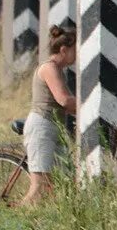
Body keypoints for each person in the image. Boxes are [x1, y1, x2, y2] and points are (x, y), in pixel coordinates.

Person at [20, 26, 77, 207]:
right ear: (63, 50)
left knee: (60, 183)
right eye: (76, 50)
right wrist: (90, 107)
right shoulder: (49, 68)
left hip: (53, 128)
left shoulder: (58, 70)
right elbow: (65, 100)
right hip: (42, 128)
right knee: (39, 186)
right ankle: (14, 224)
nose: (78, 55)